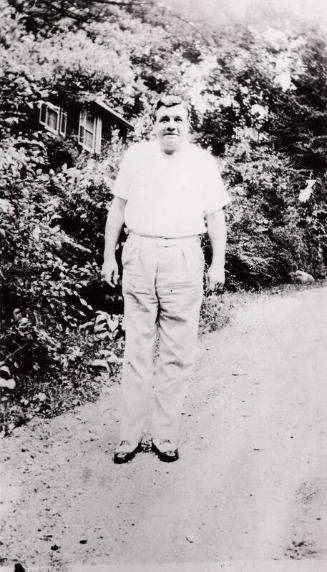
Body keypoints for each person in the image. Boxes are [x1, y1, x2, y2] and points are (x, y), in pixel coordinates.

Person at [101, 95, 230, 464]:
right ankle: (129, 437)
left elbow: (216, 217)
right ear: (153, 123)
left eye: (177, 118)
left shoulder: (202, 163)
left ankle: (165, 436)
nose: (170, 124)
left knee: (176, 353)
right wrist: (109, 255)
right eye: (164, 118)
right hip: (139, 252)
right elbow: (118, 208)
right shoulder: (137, 157)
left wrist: (217, 263)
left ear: (188, 124)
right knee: (136, 351)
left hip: (184, 256)